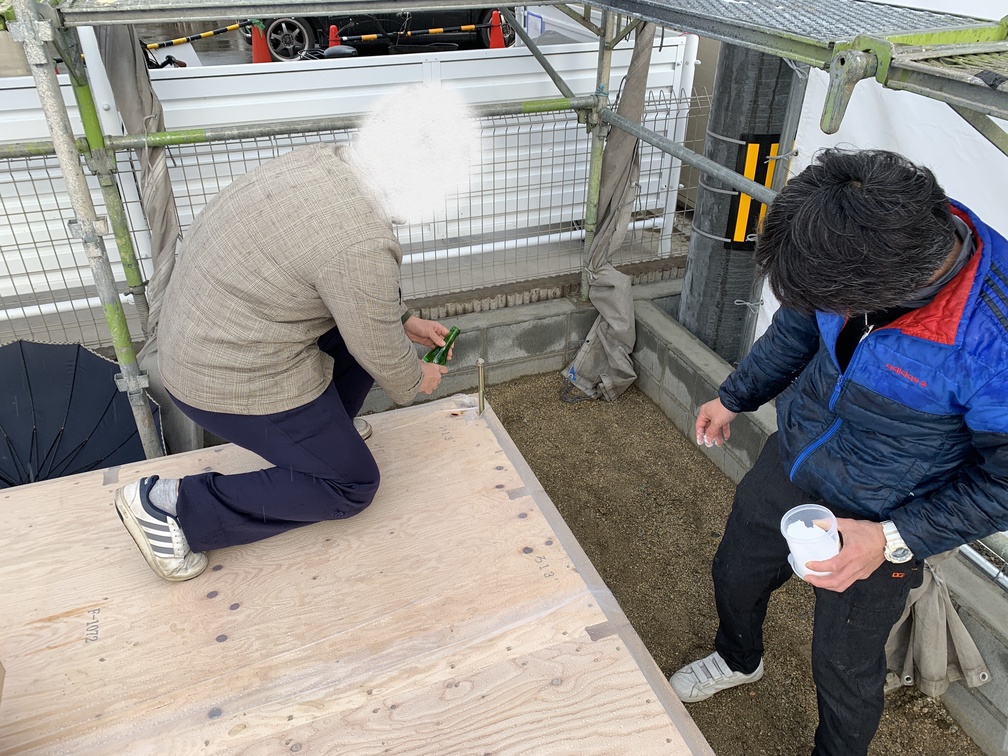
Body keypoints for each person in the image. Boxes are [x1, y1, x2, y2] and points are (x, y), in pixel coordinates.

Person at [668, 148, 1008, 754]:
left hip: (890, 508)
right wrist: (735, 397)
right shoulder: (846, 243)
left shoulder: (993, 344)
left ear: (887, 292)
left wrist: (892, 538)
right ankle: (738, 657)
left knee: (846, 665)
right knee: (737, 569)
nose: (821, 308)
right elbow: (795, 329)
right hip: (798, 455)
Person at [114, 84, 478, 583]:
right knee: (352, 484)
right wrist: (416, 378)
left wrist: (403, 320)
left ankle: (327, 434)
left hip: (208, 341)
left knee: (361, 342)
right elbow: (379, 345)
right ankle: (173, 509)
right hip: (229, 378)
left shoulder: (324, 164)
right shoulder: (361, 241)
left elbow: (347, 291)